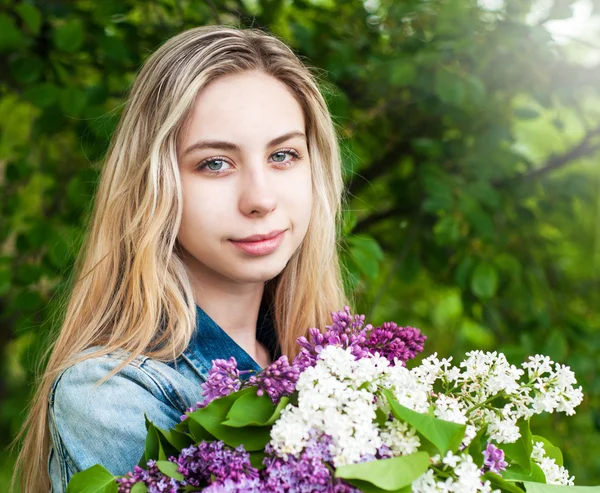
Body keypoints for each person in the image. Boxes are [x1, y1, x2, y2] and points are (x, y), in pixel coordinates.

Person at [11, 25, 351, 493]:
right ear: (156, 184)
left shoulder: (336, 365)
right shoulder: (110, 395)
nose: (260, 198)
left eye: (284, 154)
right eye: (215, 163)